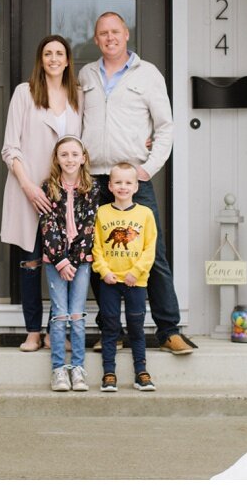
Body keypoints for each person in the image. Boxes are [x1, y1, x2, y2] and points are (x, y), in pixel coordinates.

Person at [79, 11, 194, 355]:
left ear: (126, 34)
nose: (109, 37)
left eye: (115, 31)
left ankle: (169, 330)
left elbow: (165, 126)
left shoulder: (148, 74)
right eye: (103, 33)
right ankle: (111, 332)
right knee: (102, 256)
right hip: (95, 180)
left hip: (133, 180)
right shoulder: (86, 75)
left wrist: (148, 169)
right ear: (96, 39)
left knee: (151, 254)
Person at [0, 34, 81, 352]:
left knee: (63, 264)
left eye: (60, 53)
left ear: (68, 60)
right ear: (41, 59)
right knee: (32, 263)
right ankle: (33, 331)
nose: (54, 58)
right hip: (30, 190)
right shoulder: (25, 93)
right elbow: (10, 147)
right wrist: (28, 187)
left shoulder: (78, 97)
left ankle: (54, 331)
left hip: (67, 194)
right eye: (48, 53)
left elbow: (85, 143)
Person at [37, 135, 101, 392]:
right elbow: (48, 226)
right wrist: (61, 261)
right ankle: (58, 370)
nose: (70, 159)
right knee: (59, 315)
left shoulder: (93, 188)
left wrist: (73, 261)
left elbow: (88, 228)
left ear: (83, 158)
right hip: (55, 261)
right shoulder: (48, 187)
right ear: (56, 159)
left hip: (82, 261)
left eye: (75, 154)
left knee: (77, 315)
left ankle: (78, 368)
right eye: (64, 154)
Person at [92, 162, 157, 392]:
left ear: (136, 186)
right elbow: (96, 247)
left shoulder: (145, 214)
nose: (123, 187)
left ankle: (141, 372)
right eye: (118, 182)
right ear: (109, 186)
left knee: (136, 328)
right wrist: (104, 271)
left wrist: (136, 272)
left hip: (135, 282)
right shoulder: (102, 213)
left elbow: (150, 249)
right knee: (110, 328)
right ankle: (109, 373)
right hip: (110, 281)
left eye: (128, 182)